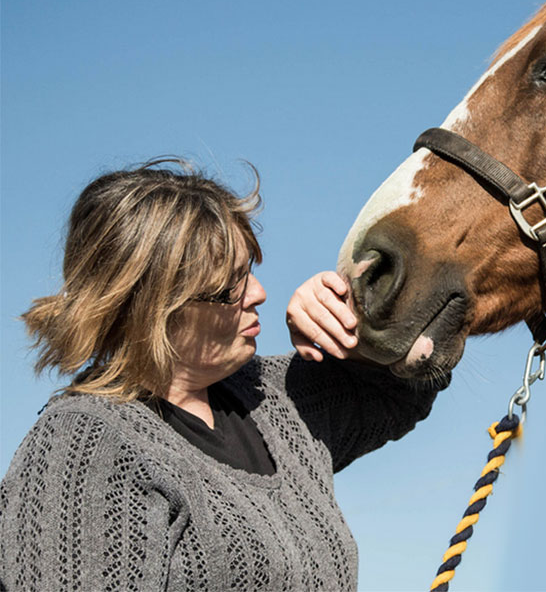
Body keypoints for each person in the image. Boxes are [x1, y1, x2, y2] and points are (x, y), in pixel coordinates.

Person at [0, 159, 446, 590]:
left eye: (249, 271)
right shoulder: (85, 444)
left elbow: (403, 387)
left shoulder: (274, 399)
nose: (258, 293)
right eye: (231, 286)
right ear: (157, 306)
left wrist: (350, 318)